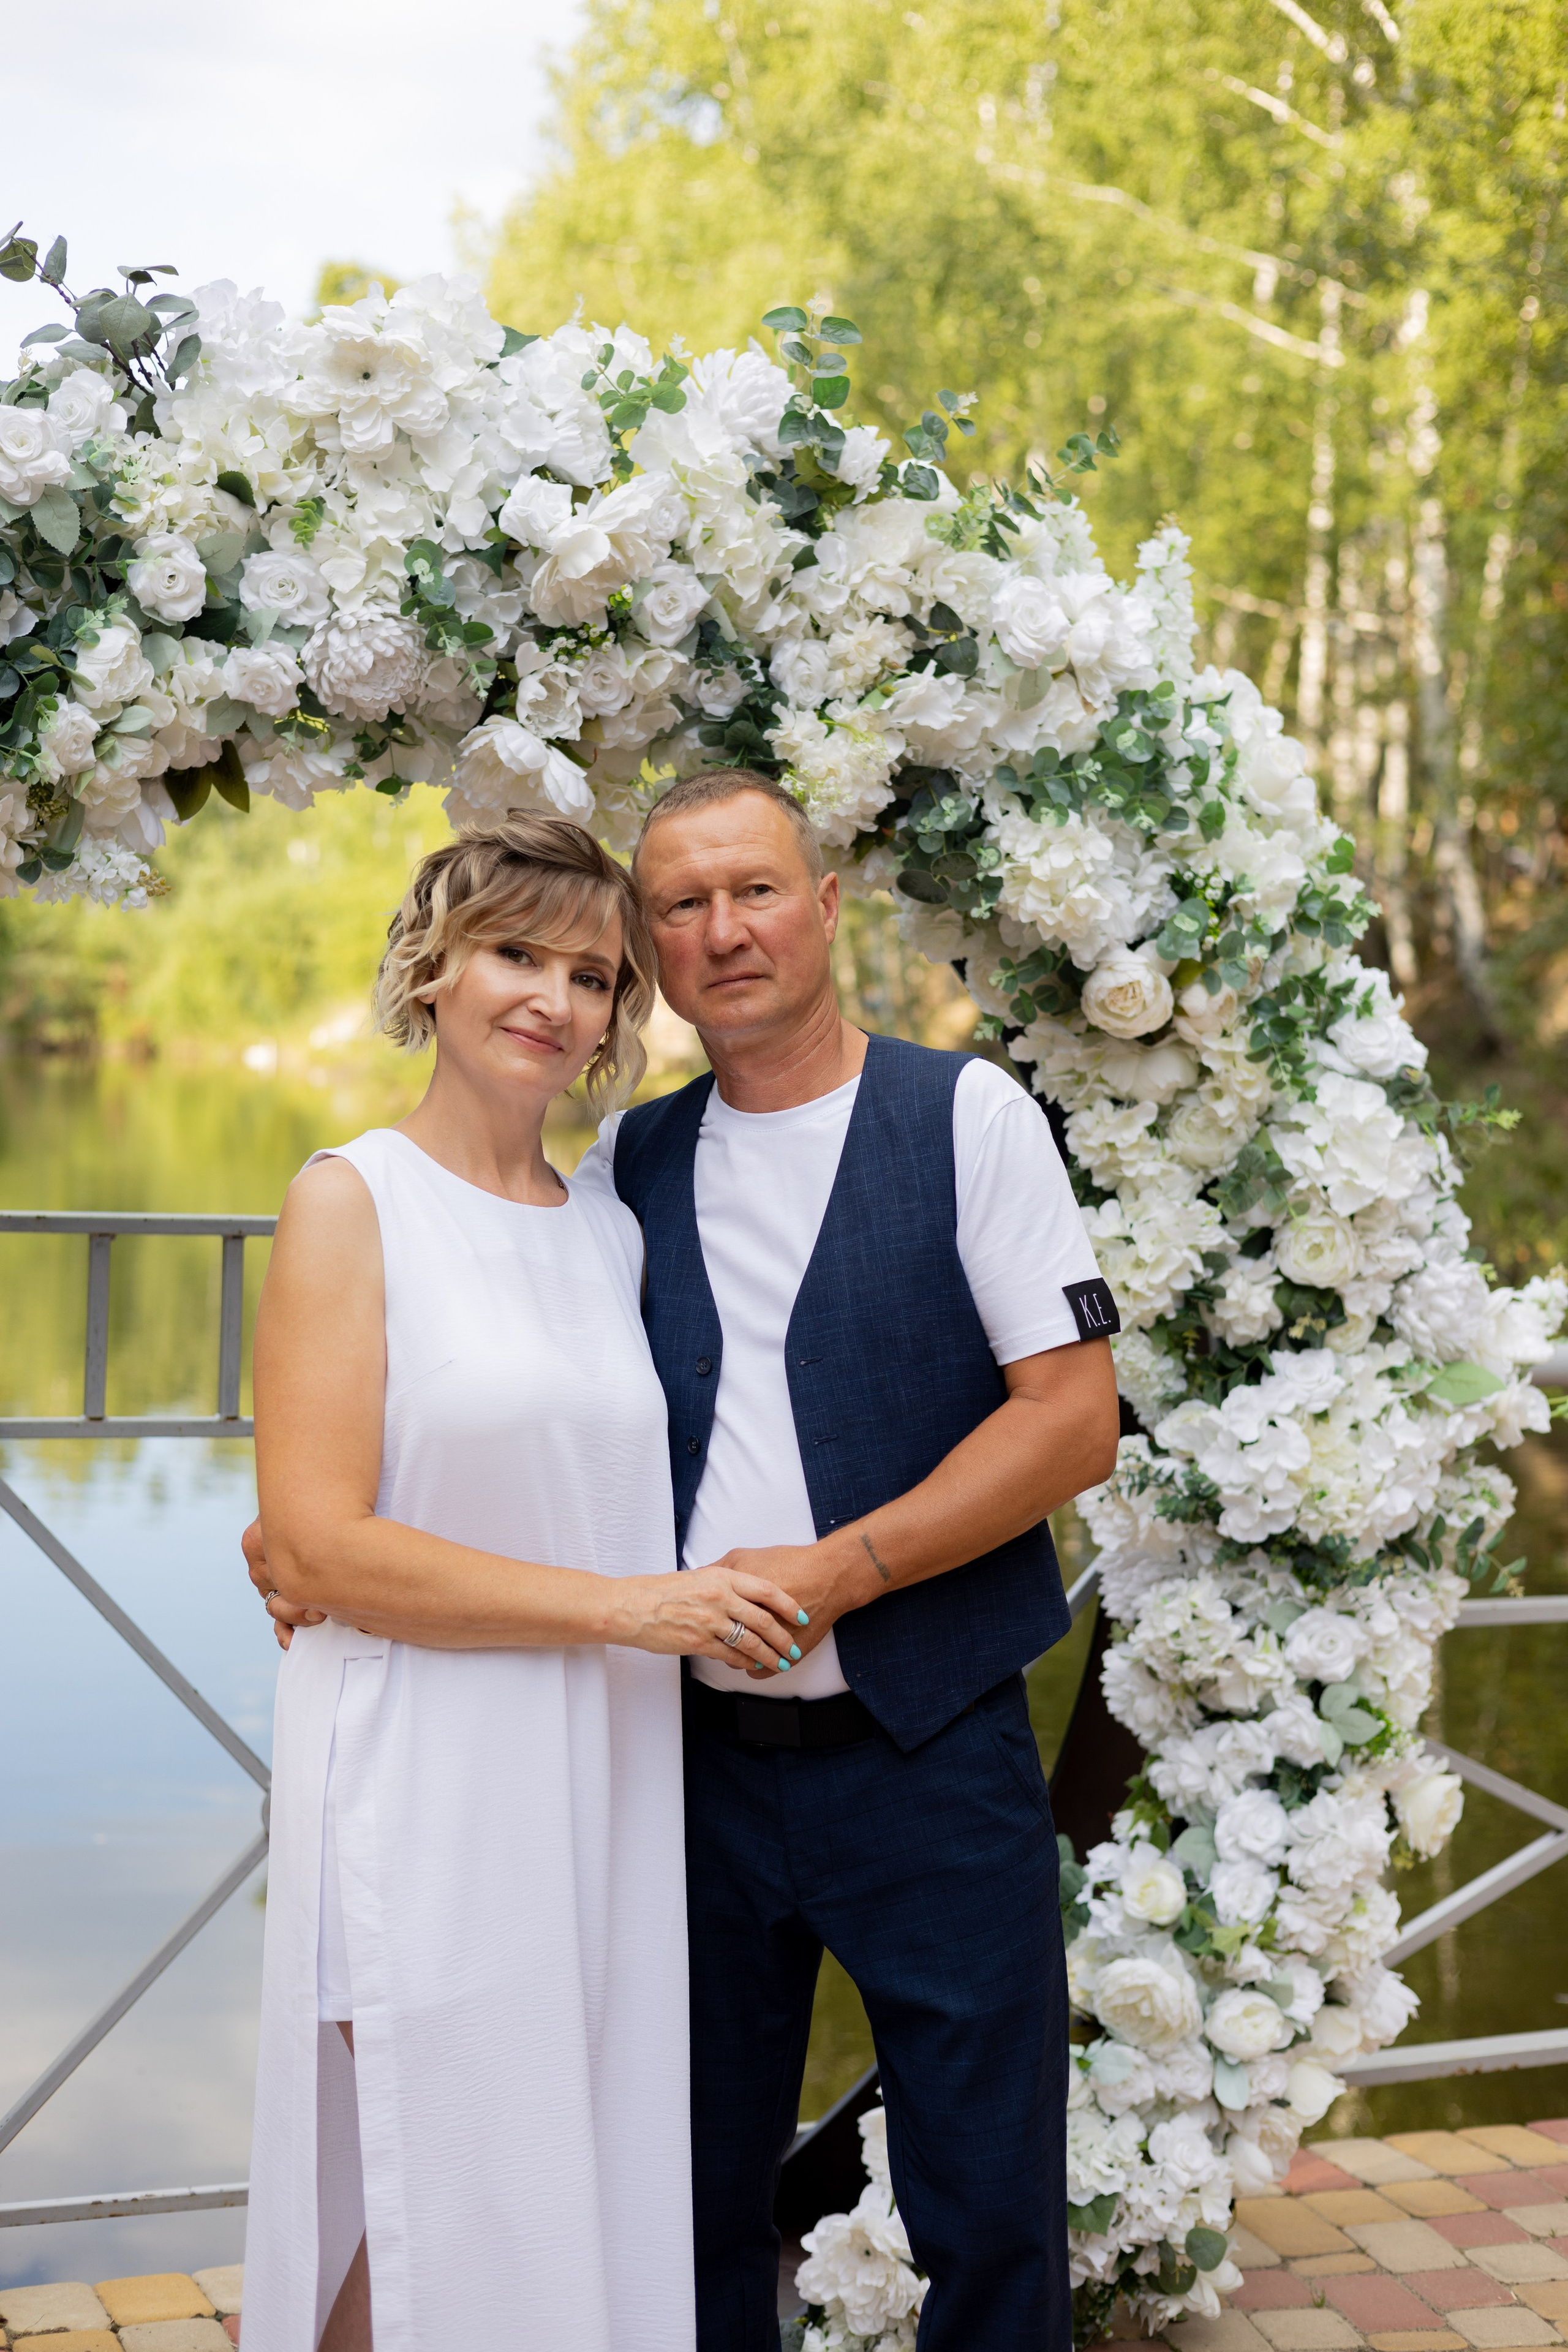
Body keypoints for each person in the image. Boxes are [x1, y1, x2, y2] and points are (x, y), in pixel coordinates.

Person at [567, 769, 1123, 2352]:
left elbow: (1072, 1423)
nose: (721, 930)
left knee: (988, 2198)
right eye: (680, 904)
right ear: (654, 947)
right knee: (683, 2194)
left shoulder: (967, 1117)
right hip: (686, 1771)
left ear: (824, 907)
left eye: (753, 890)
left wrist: (843, 1572)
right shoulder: (628, 1163)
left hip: (928, 1749)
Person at [241, 815, 807, 2352]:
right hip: (423, 1762)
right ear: (433, 969)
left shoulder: (609, 1231)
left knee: (551, 2176)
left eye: (592, 975)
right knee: (426, 2178)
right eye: (514, 955)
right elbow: (312, 1542)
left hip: (604, 1769)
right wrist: (629, 1609)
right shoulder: (349, 1198)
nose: (552, 1002)